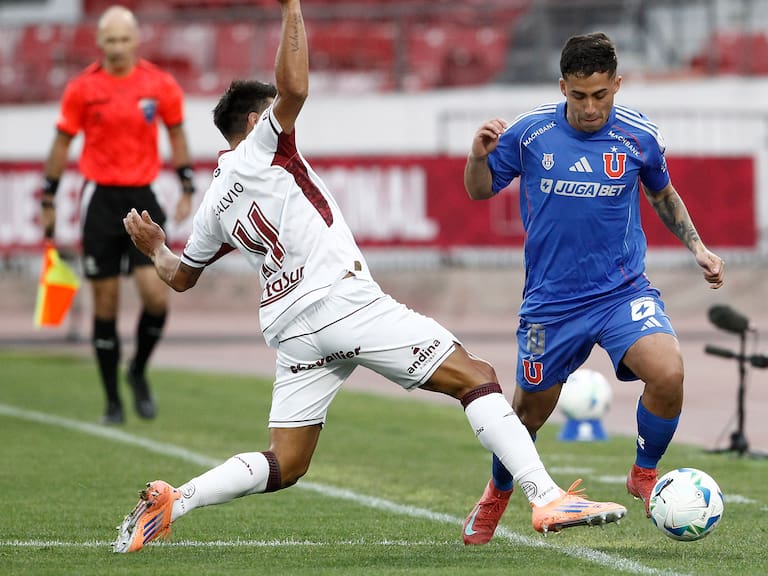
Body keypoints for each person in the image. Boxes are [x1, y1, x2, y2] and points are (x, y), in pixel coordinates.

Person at [111, 1, 627, 554]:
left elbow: (180, 277)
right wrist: (291, 8)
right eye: (272, 114)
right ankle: (546, 496)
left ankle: (176, 500)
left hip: (291, 330)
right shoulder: (264, 146)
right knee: (476, 376)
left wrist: (157, 247)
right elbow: (295, 89)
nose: (285, 122)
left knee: (286, 461)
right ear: (255, 122)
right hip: (340, 301)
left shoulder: (214, 203)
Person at [460, 31, 726, 545]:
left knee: (668, 372)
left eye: (600, 95)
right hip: (550, 306)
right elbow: (478, 191)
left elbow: (663, 194)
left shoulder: (638, 137)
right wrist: (476, 156)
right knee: (527, 414)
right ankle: (497, 492)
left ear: (617, 85)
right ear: (563, 87)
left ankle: (643, 473)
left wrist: (697, 247)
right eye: (578, 95)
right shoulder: (530, 133)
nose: (589, 108)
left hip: (621, 293)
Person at [39, 5, 196, 425]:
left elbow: (177, 132)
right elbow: (62, 143)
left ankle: (137, 369)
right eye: (111, 39)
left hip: (143, 198)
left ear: (136, 40)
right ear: (99, 42)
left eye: (125, 39)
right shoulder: (82, 88)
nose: (118, 47)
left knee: (157, 297)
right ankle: (112, 401)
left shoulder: (159, 84)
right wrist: (48, 197)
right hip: (101, 201)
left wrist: (186, 184)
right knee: (105, 305)